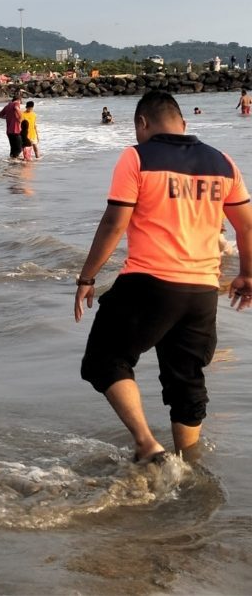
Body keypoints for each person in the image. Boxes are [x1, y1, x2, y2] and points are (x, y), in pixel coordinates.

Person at [74, 90, 252, 463]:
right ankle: (187, 466)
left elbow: (114, 222)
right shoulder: (223, 163)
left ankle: (146, 443)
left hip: (149, 284)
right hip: (202, 291)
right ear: (184, 123)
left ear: (142, 123)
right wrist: (248, 274)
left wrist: (87, 277)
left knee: (104, 359)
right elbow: (246, 228)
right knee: (186, 381)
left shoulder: (136, 157)